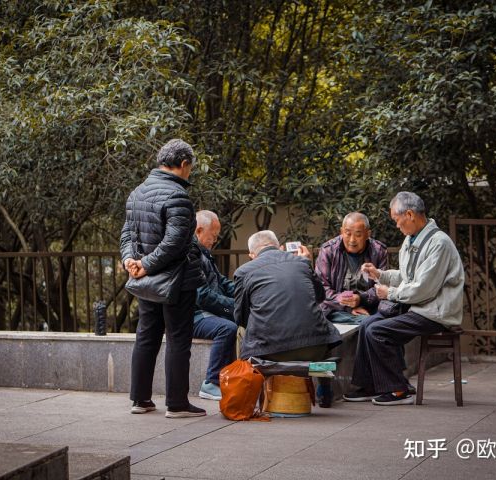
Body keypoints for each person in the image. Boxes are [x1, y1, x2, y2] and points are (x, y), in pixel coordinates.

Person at [343, 191, 464, 406]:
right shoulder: (412, 239)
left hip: (435, 312)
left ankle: (398, 389)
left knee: (378, 331)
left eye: (397, 221)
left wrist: (388, 292)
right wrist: (380, 274)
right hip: (418, 306)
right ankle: (368, 384)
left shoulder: (439, 243)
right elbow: (407, 276)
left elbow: (423, 289)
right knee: (367, 324)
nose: (397, 226)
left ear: (409, 214)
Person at [120, 139, 207, 418]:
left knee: (146, 336)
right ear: (183, 165)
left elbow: (126, 235)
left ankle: (140, 400)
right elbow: (176, 242)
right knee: (179, 338)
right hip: (177, 280)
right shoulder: (178, 196)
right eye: (190, 168)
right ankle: (177, 404)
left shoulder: (137, 193)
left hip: (147, 282)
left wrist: (130, 262)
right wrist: (143, 265)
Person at [234, 230, 341, 362]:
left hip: (270, 352)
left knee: (240, 330)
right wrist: (306, 262)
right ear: (281, 248)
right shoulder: (302, 263)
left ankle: (245, 380)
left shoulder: (243, 272)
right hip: (316, 347)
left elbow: (240, 317)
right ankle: (323, 383)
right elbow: (320, 297)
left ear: (251, 255)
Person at [193, 210, 238, 401]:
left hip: (205, 312)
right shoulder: (192, 254)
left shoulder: (204, 253)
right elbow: (201, 296)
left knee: (236, 321)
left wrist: (245, 291)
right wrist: (233, 305)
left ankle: (228, 379)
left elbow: (221, 282)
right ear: (199, 230)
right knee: (227, 328)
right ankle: (211, 382)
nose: (215, 240)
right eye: (213, 236)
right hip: (192, 315)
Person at [315, 212, 388, 324]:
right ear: (341, 231)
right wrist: (348, 307)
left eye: (358, 235)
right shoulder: (328, 250)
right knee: (368, 322)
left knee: (384, 316)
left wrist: (360, 299)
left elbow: (382, 285)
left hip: (368, 306)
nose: (352, 240)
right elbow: (321, 288)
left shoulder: (379, 251)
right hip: (336, 308)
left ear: (368, 234)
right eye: (348, 233)